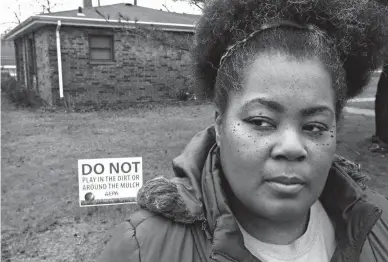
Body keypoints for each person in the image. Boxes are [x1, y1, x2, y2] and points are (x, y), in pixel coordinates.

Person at [97, 0, 388, 261]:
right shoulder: (143, 250)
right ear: (219, 126)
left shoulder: (379, 226)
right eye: (261, 121)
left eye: (314, 127)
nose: (291, 147)